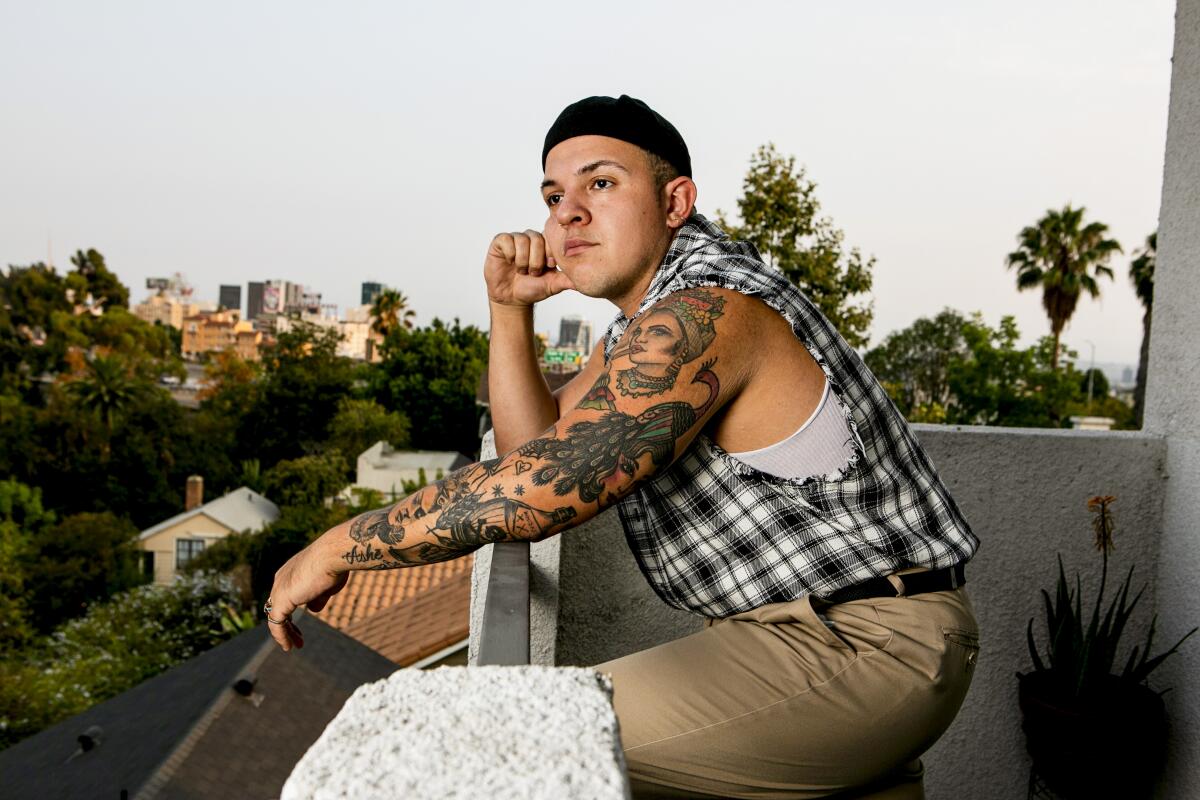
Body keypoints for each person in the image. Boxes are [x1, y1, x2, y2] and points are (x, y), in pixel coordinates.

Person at [266, 95, 981, 799]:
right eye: (553, 193)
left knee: (498, 739)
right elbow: (532, 448)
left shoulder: (710, 310)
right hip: (824, 643)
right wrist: (509, 308)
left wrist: (333, 547)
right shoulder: (642, 332)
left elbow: (544, 488)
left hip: (855, 646)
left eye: (600, 183)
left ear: (675, 202)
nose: (566, 212)